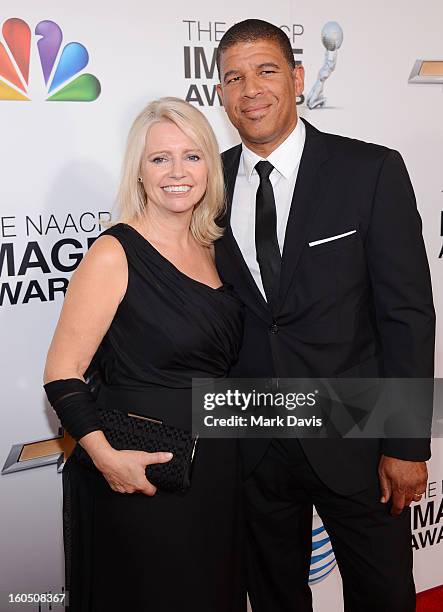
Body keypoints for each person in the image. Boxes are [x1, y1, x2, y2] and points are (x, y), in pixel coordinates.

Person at [214, 19, 435, 612]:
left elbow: (407, 314)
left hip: (359, 437)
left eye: (265, 70)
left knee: (384, 595)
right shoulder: (206, 183)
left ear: (298, 77)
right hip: (253, 439)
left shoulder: (371, 171)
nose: (250, 90)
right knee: (272, 598)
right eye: (233, 78)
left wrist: (408, 442)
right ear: (219, 95)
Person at [43, 97, 246, 612]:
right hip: (143, 475)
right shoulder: (114, 253)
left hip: (216, 473)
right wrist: (107, 459)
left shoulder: (218, 248)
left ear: (211, 167)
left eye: (193, 156)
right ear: (139, 171)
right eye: (160, 159)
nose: (177, 172)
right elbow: (62, 374)